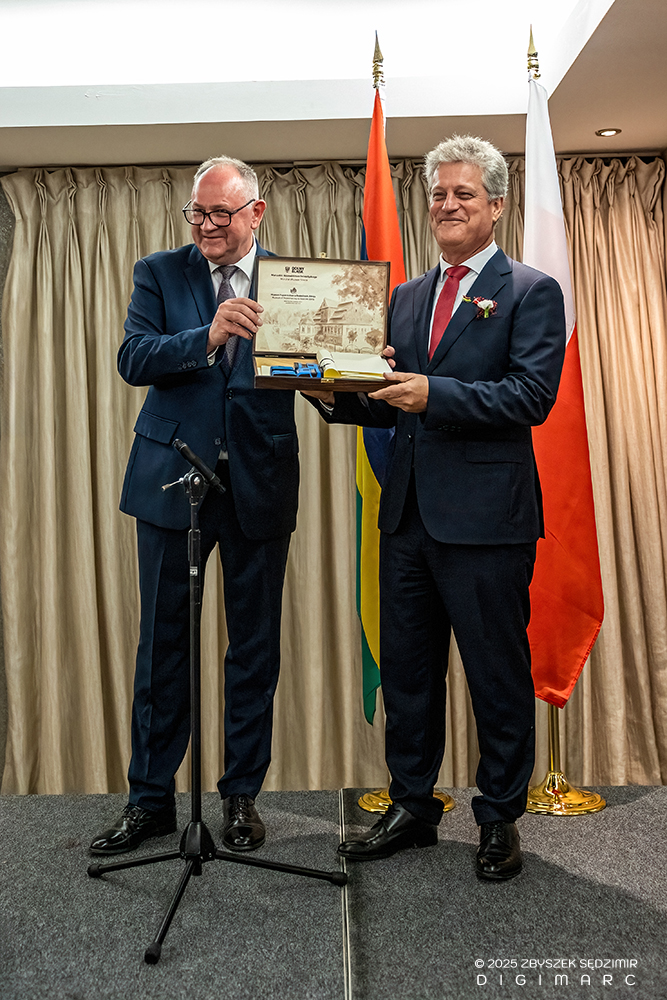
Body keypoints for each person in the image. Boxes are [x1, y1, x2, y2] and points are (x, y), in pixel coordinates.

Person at [307, 135, 566, 879]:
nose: (447, 205)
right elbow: (388, 401)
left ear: (496, 204)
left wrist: (435, 392)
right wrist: (329, 389)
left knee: (495, 675)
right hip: (408, 519)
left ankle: (498, 817)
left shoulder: (530, 291)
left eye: (463, 194)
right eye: (437, 194)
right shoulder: (406, 296)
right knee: (410, 676)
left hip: (487, 523)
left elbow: (531, 397)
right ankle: (413, 807)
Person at [90, 156, 300, 856]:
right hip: (171, 482)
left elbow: (320, 371)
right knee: (163, 648)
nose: (206, 226)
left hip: (259, 483)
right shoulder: (159, 272)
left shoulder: (292, 281)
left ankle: (240, 798)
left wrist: (357, 363)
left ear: (255, 213)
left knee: (254, 649)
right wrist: (206, 336)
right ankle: (150, 800)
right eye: (197, 214)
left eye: (220, 214)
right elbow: (134, 358)